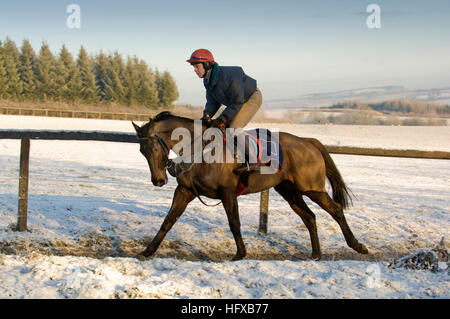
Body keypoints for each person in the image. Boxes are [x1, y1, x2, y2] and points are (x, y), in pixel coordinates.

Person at [187, 49, 263, 172]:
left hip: (251, 98)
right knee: (218, 127)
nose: (195, 70)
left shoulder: (229, 76)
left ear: (207, 64)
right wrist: (206, 115)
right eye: (194, 67)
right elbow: (213, 102)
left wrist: (222, 119)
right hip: (236, 102)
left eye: (197, 66)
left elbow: (238, 102)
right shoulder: (207, 80)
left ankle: (254, 161)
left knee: (233, 128)